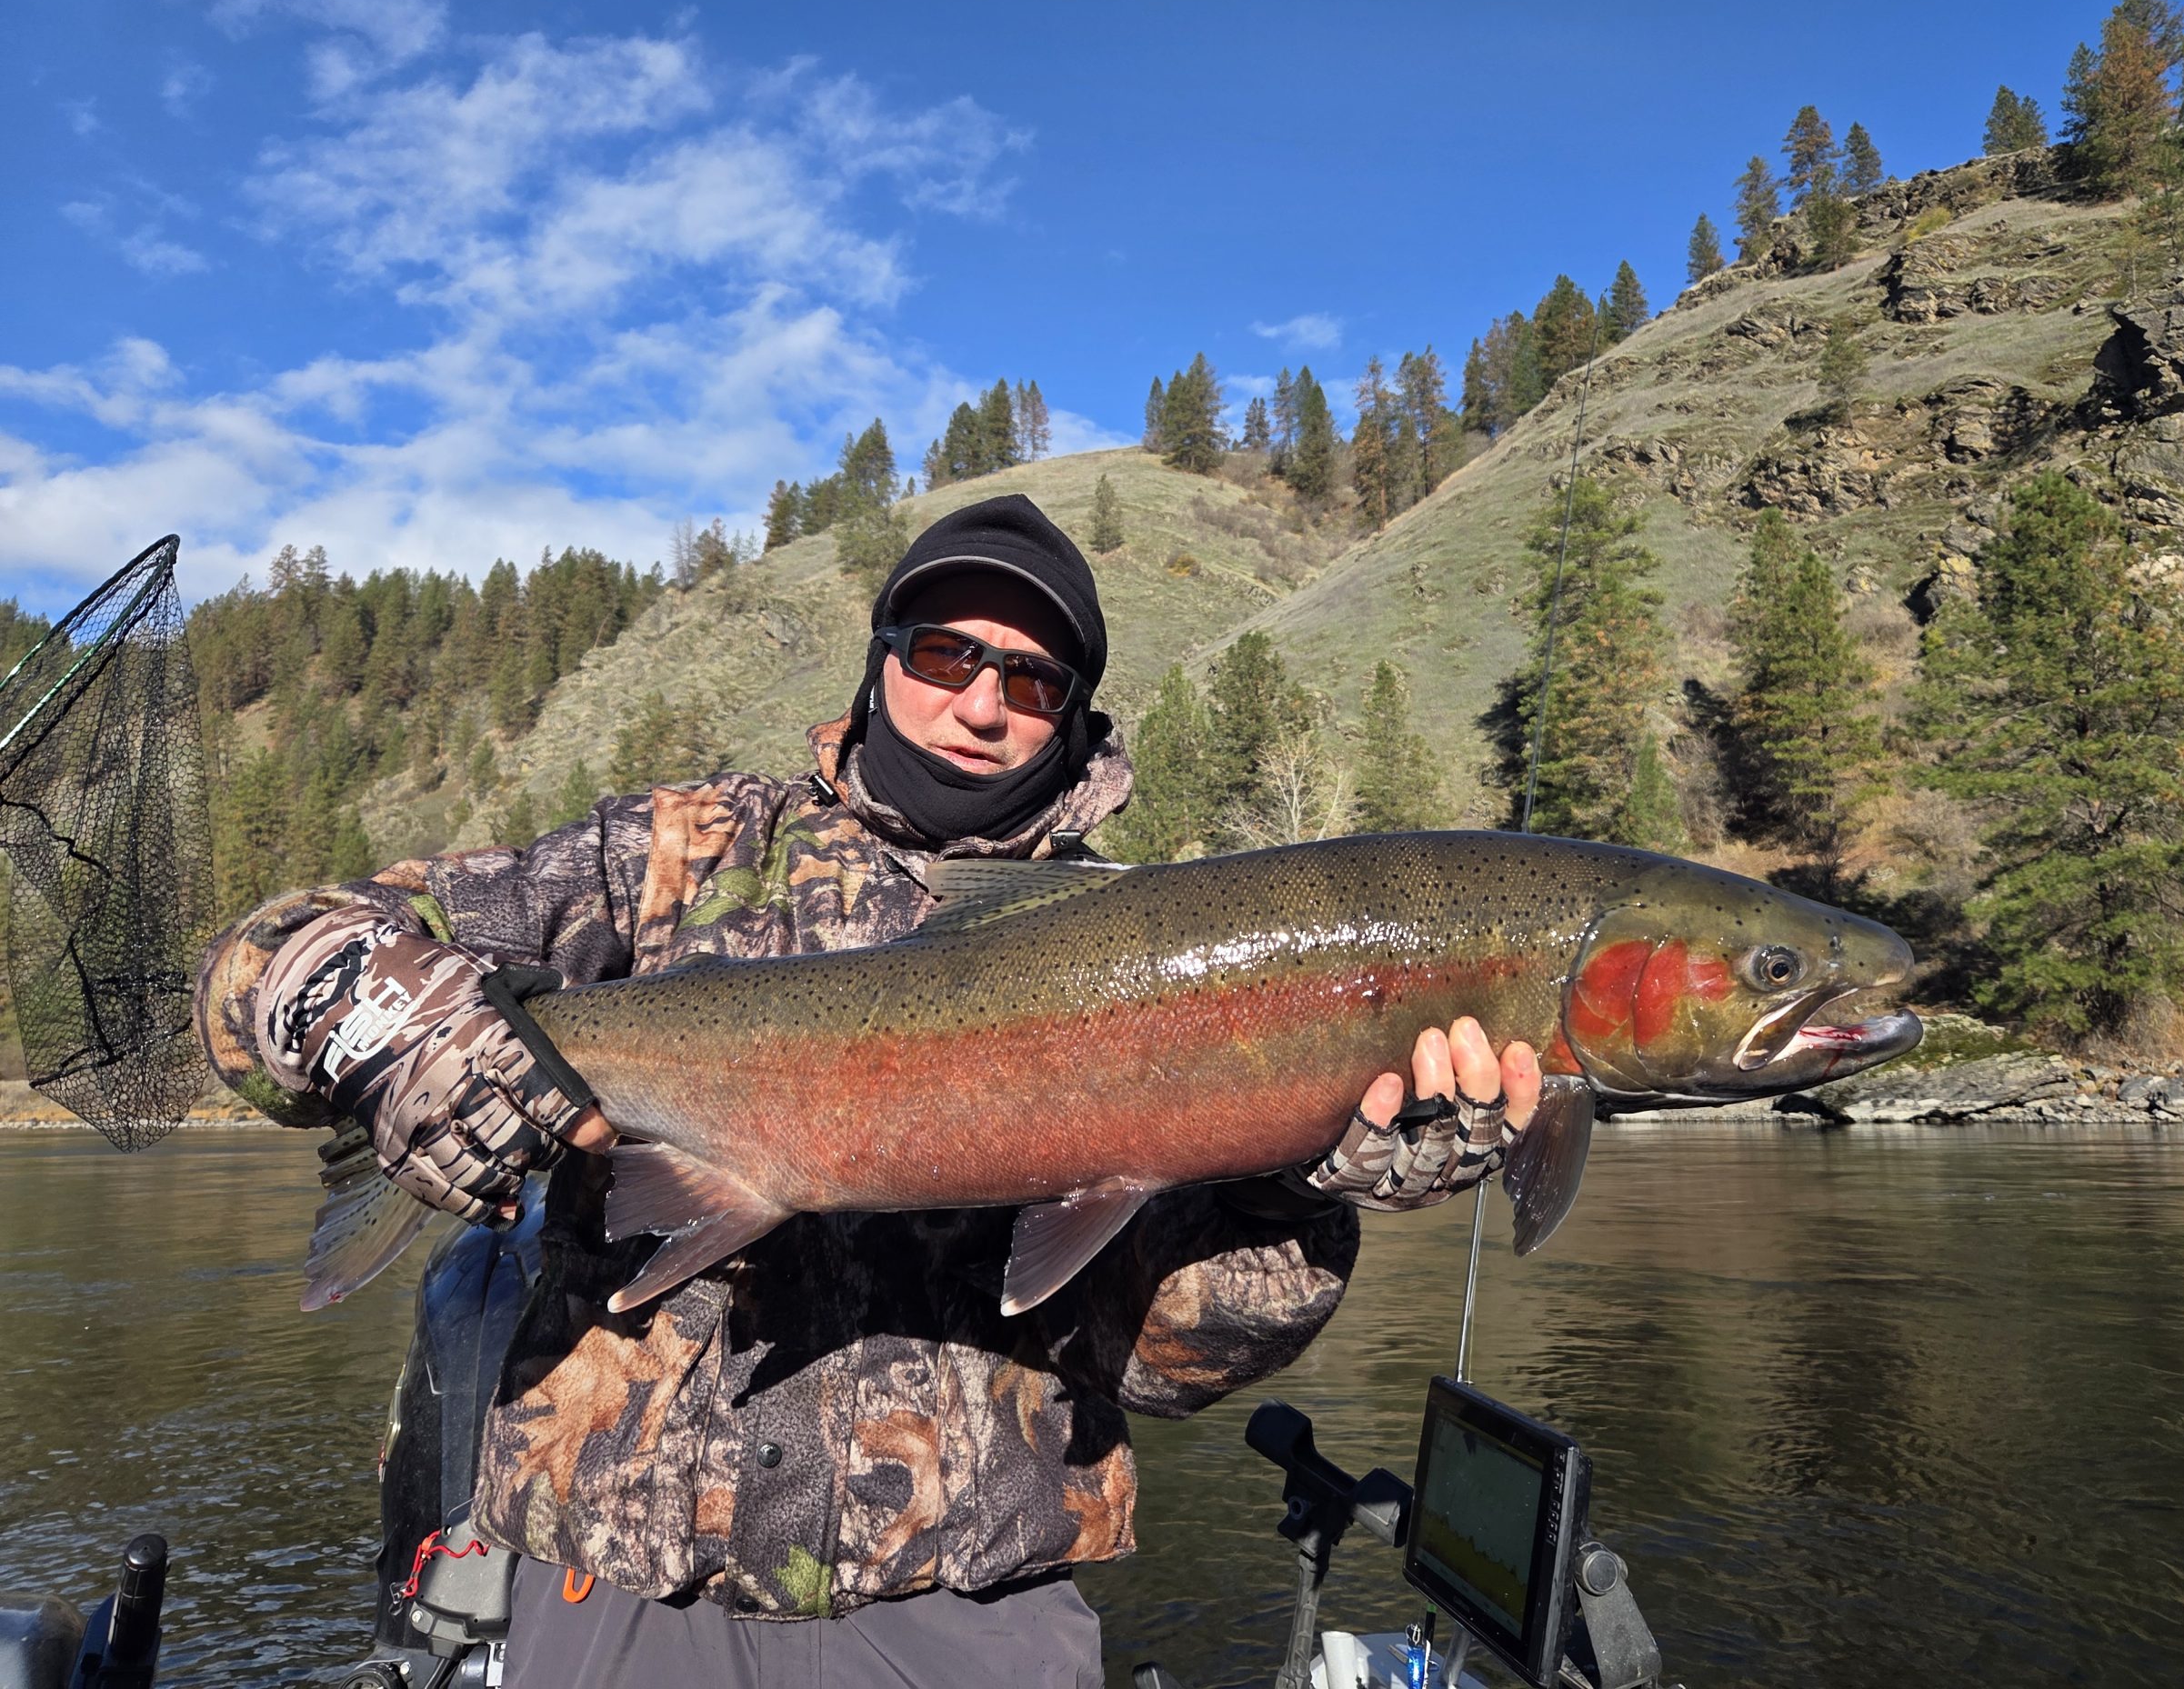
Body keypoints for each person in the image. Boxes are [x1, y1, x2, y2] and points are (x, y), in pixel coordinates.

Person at [195, 494, 1542, 1688]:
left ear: (1073, 716)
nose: (983, 703)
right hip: (621, 1605)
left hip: (970, 1617)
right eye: (948, 655)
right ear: (883, 660)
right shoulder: (670, 854)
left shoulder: (1166, 957)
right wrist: (398, 1026)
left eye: (1034, 678)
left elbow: (1170, 1363)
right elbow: (256, 969)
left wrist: (1317, 1177)